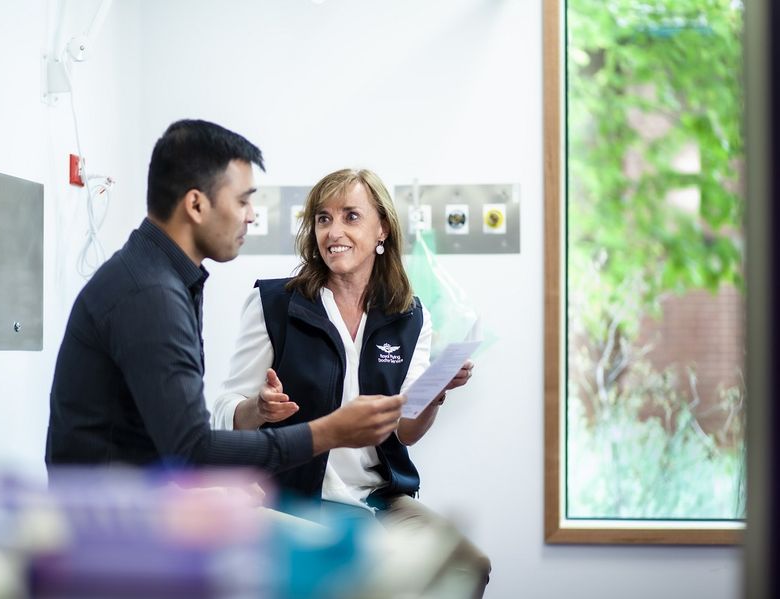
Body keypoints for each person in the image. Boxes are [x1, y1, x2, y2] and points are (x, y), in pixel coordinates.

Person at [45, 121, 406, 473]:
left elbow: (171, 442)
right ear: (196, 205)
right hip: (108, 509)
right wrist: (329, 432)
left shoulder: (156, 276)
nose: (250, 216)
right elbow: (193, 449)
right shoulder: (151, 296)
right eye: (242, 201)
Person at [211, 168, 491, 596]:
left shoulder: (410, 316)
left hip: (379, 499)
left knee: (467, 565)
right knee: (363, 573)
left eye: (350, 216)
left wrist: (434, 396)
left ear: (382, 229)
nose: (334, 231)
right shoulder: (273, 304)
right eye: (323, 218)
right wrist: (258, 408)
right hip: (295, 496)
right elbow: (224, 410)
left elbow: (406, 431)